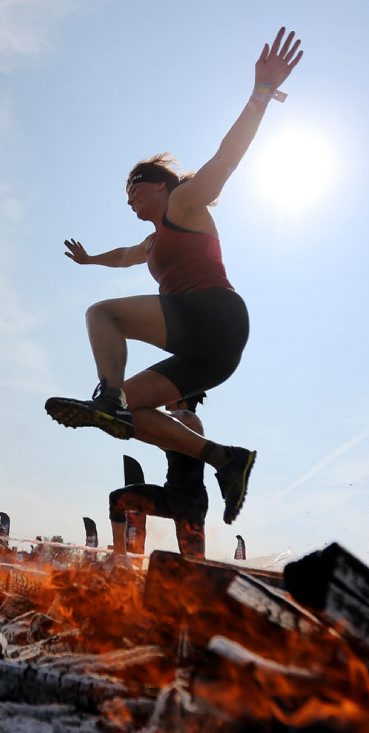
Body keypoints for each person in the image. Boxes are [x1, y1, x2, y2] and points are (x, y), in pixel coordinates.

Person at [45, 27, 303, 525]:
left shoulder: (185, 202)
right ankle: (227, 459)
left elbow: (227, 158)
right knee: (132, 417)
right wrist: (90, 260)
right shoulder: (152, 241)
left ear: (158, 186)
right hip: (210, 353)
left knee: (103, 314)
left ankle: (106, 395)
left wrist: (262, 92)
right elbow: (126, 256)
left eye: (133, 190)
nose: (129, 201)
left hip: (216, 315)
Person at [109, 392, 208, 562]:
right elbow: (152, 435)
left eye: (169, 402)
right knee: (118, 499)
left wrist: (135, 410)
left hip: (191, 502)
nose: (165, 405)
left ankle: (205, 584)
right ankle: (120, 558)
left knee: (194, 563)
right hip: (170, 496)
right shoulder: (174, 434)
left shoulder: (191, 420)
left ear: (183, 402)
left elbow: (162, 419)